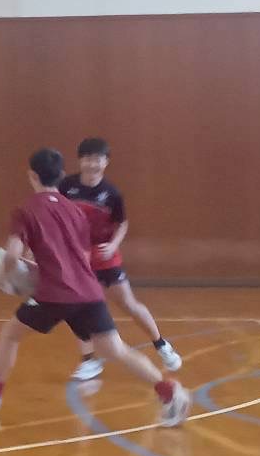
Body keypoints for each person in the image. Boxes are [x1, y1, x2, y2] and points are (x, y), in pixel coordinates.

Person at [0, 148, 189, 426]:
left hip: (54, 294)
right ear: (61, 175)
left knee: (10, 335)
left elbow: (12, 255)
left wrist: (8, 277)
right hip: (89, 290)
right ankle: (170, 393)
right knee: (116, 349)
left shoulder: (26, 210)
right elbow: (80, 255)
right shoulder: (75, 210)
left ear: (32, 175)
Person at [61, 137, 181, 380]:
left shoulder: (112, 193)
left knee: (127, 303)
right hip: (77, 258)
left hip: (104, 258)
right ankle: (89, 361)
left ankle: (161, 344)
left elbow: (122, 223)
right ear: (80, 160)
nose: (92, 164)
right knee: (77, 309)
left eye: (98, 159)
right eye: (87, 158)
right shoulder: (67, 187)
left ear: (106, 162)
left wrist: (113, 245)